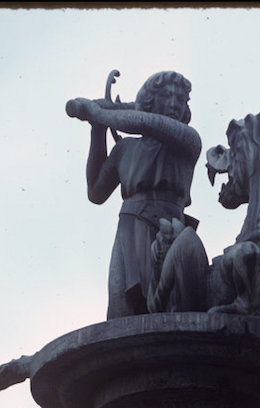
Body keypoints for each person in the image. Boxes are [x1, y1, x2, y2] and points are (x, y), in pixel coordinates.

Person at [66, 71, 203, 318]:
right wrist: (97, 129)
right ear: (150, 100)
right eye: (166, 96)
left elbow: (142, 123)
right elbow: (95, 192)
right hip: (128, 231)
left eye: (180, 99)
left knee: (170, 310)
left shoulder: (188, 141)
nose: (174, 103)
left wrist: (99, 113)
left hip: (167, 231)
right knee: (121, 310)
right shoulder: (125, 149)